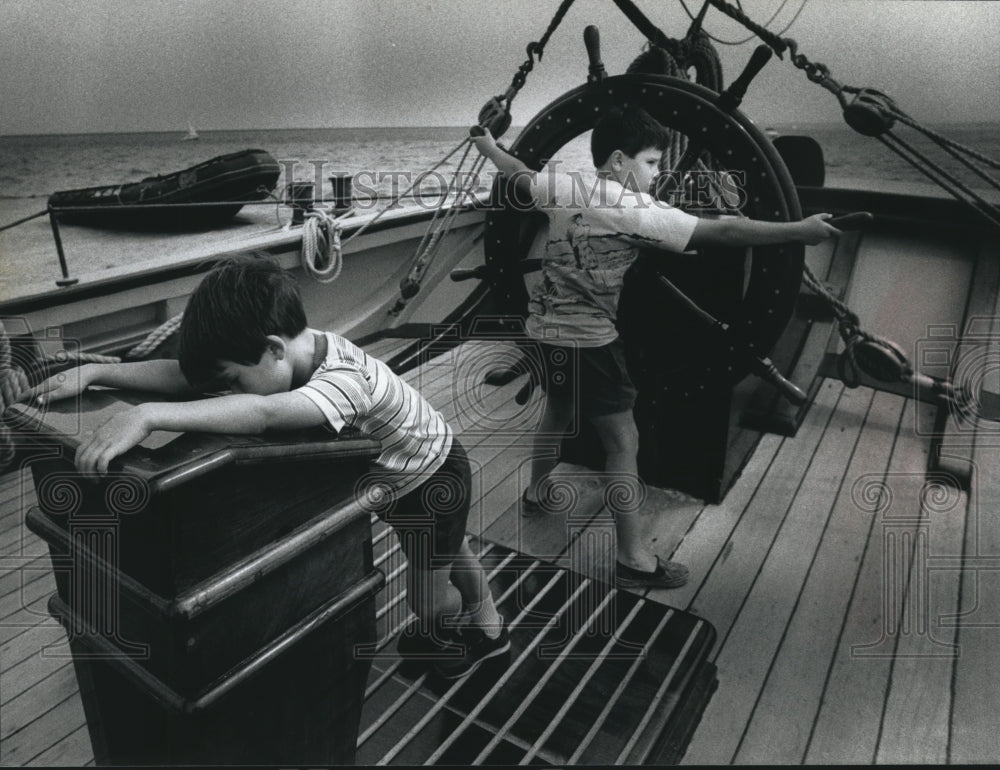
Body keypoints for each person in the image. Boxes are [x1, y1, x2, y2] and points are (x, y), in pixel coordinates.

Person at [29, 254, 509, 679]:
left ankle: (456, 630)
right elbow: (186, 376)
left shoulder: (343, 382)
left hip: (431, 482)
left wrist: (149, 414)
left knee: (427, 599)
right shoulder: (289, 352)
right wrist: (97, 370)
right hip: (412, 466)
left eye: (234, 380)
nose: (229, 392)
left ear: (274, 348)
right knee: (449, 551)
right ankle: (491, 626)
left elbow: (263, 414)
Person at [471, 106, 840, 590]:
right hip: (592, 344)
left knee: (557, 409)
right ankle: (633, 557)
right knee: (623, 442)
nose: (659, 172)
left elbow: (518, 174)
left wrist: (488, 147)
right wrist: (800, 230)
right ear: (620, 160)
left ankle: (538, 491)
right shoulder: (639, 212)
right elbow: (725, 230)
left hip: (543, 330)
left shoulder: (564, 185)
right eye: (651, 163)